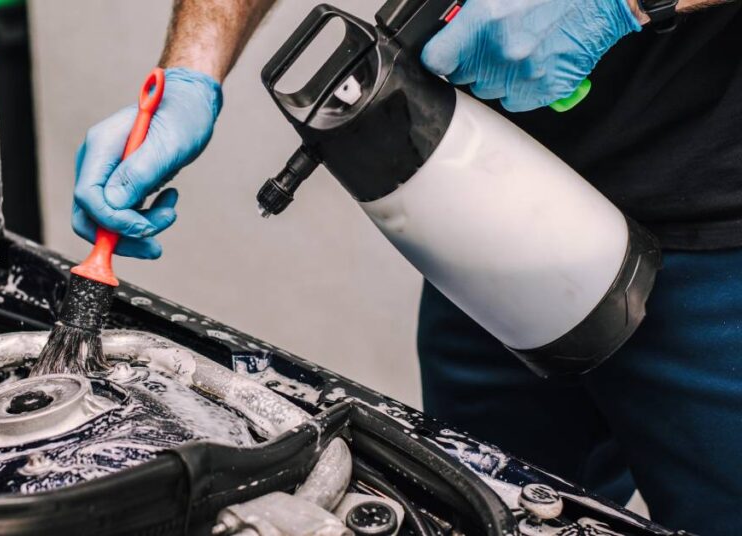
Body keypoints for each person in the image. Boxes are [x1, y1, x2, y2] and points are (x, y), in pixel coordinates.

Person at [70, 0, 742, 531]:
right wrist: (191, 72)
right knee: (472, 505)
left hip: (721, 251)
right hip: (483, 201)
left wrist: (619, 3)